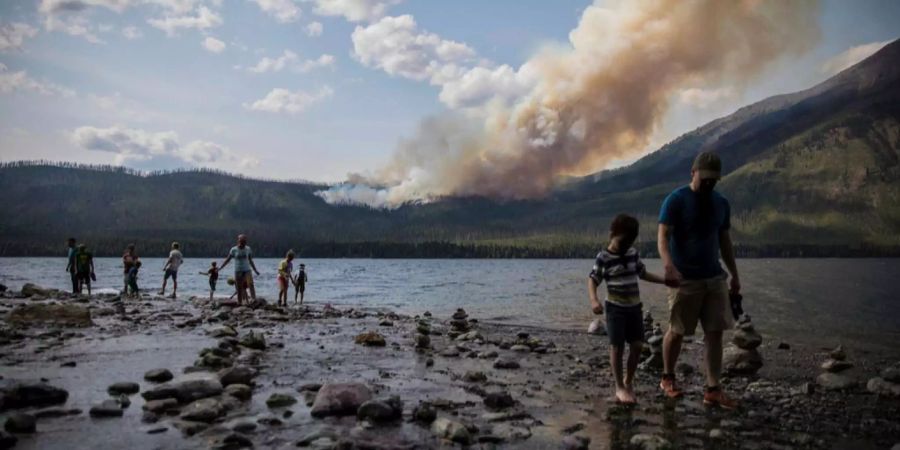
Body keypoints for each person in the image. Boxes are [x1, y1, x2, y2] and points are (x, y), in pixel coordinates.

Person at [657, 151, 741, 409]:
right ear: (693, 173)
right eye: (705, 178)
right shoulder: (676, 200)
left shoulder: (721, 203)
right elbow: (662, 236)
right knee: (677, 331)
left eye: (714, 180)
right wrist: (669, 266)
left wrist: (735, 275)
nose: (708, 183)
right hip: (685, 279)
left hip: (714, 277)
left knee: (715, 333)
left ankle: (712, 389)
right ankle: (667, 378)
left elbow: (725, 242)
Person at [588, 214, 666, 404]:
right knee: (617, 347)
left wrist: (665, 280)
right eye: (623, 241)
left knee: (638, 345)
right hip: (615, 309)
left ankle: (628, 381)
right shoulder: (604, 257)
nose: (626, 245)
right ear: (612, 234)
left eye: (630, 241)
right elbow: (592, 279)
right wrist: (594, 300)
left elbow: (643, 273)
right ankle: (619, 387)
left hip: (634, 308)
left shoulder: (632, 253)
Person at [219, 234, 260, 306]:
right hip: (238, 270)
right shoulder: (234, 249)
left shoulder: (248, 249)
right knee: (239, 287)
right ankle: (240, 302)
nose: (243, 243)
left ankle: (253, 299)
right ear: (238, 241)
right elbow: (227, 260)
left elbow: (250, 260)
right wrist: (220, 268)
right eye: (242, 241)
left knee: (250, 284)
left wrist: (255, 270)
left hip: (247, 270)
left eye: (245, 241)